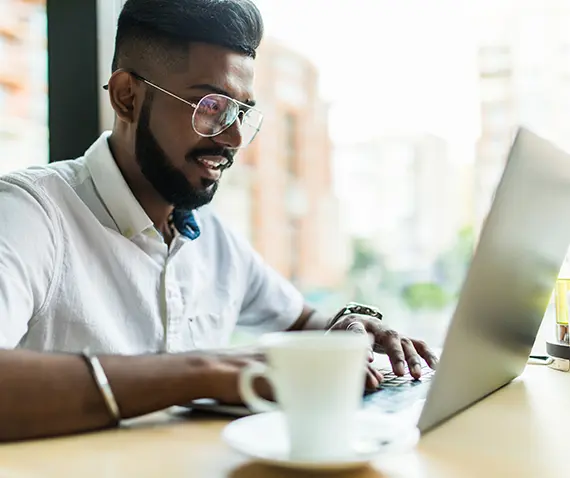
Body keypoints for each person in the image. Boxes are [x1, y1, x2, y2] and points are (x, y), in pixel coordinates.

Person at [0, 0, 437, 442]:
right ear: (126, 97)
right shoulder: (30, 213)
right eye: (210, 105)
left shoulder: (212, 238)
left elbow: (303, 320)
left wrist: (344, 327)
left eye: (241, 112)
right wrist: (203, 372)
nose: (232, 138)